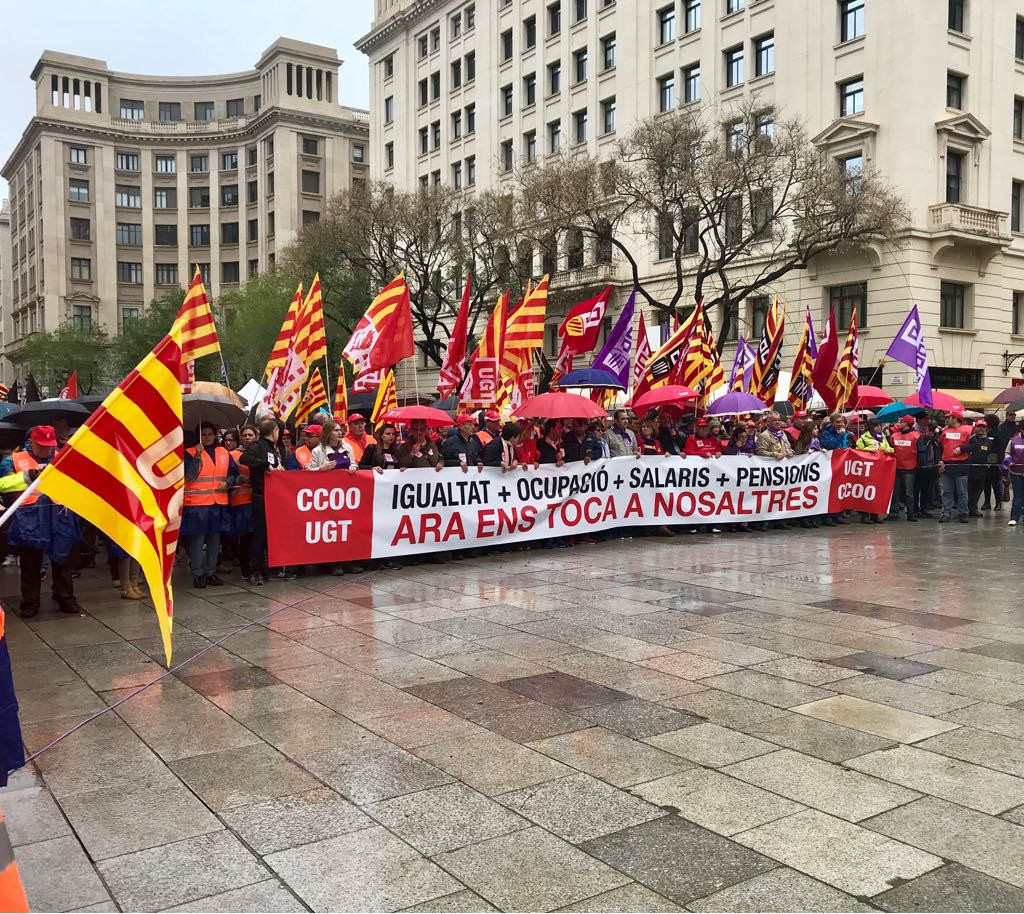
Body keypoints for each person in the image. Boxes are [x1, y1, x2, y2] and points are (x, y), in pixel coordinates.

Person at [0, 426, 83, 618]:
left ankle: (65, 598)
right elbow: (3, 485)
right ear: (33, 443)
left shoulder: (61, 456)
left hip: (59, 515)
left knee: (62, 560)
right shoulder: (13, 460)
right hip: (30, 517)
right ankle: (30, 602)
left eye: (50, 446)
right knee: (31, 563)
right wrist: (28, 477)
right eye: (43, 446)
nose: (47, 450)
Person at [182, 422, 238, 588]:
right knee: (197, 541)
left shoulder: (223, 452)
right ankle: (198, 574)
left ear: (215, 436)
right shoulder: (190, 453)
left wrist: (227, 483)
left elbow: (234, 473)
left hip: (218, 503)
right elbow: (189, 477)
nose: (207, 437)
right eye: (203, 434)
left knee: (215, 541)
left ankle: (211, 572)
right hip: (197, 505)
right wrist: (197, 456)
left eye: (210, 434)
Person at [240, 417, 283, 585]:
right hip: (261, 497)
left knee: (268, 534)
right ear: (274, 432)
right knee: (259, 534)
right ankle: (255, 570)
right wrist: (264, 464)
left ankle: (266, 566)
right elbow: (245, 459)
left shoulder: (273, 448)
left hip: (273, 497)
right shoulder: (258, 446)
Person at [228, 425, 257, 579]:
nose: (247, 437)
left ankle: (255, 566)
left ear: (256, 436)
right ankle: (245, 567)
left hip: (257, 500)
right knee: (245, 537)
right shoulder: (232, 455)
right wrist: (242, 478)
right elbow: (229, 475)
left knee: (255, 536)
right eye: (244, 435)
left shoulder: (261, 453)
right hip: (240, 501)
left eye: (250, 435)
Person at [854, 418, 894, 523]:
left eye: (880, 425)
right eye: (877, 426)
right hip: (867, 469)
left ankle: (875, 514)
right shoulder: (863, 438)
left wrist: (883, 449)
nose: (879, 428)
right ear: (872, 427)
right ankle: (864, 515)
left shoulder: (883, 437)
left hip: (880, 469)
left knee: (877, 491)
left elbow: (890, 449)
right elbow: (858, 450)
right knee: (866, 491)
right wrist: (870, 450)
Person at [938, 411, 973, 523]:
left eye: (950, 418)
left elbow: (974, 445)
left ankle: (963, 513)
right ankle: (946, 513)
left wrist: (962, 448)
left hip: (961, 464)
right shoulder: (944, 431)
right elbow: (940, 447)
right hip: (947, 465)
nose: (948, 420)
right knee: (947, 491)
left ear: (956, 419)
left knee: (962, 492)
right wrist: (940, 460)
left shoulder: (968, 430)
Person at [963, 419, 998, 517]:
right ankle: (966, 509)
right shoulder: (969, 439)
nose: (981, 428)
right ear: (975, 428)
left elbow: (992, 455)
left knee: (978, 491)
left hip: (982, 471)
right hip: (969, 470)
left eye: (983, 427)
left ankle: (973, 509)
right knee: (968, 491)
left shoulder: (989, 441)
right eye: (979, 426)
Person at [890, 415, 921, 521]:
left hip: (910, 468)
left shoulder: (916, 436)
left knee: (909, 493)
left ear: (907, 423)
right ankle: (893, 513)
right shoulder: (894, 435)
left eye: (902, 422)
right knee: (895, 492)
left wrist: (922, 466)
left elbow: (921, 452)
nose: (900, 423)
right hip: (897, 467)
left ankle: (910, 513)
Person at [915, 416, 942, 518]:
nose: (926, 421)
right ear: (918, 420)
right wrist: (926, 438)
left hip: (931, 465)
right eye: (924, 419)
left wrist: (933, 437)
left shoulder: (930, 432)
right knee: (917, 489)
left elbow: (937, 446)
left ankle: (924, 508)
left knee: (927, 489)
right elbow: (920, 448)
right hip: (920, 466)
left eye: (927, 419)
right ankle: (915, 509)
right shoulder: (916, 431)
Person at [1004, 418, 1024, 526]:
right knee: (1018, 496)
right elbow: (1007, 454)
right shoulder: (1013, 440)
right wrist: (1009, 461)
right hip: (1016, 473)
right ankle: (1014, 518)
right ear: (1021, 429)